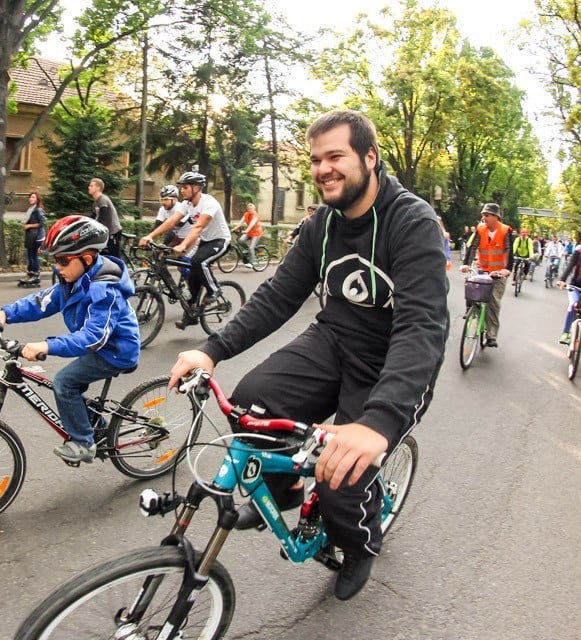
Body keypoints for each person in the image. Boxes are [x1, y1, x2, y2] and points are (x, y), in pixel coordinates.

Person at [167, 109, 449, 601]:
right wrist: (211, 350)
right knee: (253, 403)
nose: (323, 169)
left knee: (343, 477)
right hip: (334, 340)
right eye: (317, 159)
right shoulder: (323, 223)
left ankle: (360, 546)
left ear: (369, 157)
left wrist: (376, 424)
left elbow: (421, 327)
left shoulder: (412, 222)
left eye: (335, 156)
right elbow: (277, 297)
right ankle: (289, 490)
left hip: (389, 362)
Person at [0, 216, 140, 463]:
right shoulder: (72, 280)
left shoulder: (105, 291)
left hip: (116, 351)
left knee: (64, 382)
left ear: (86, 259)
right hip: (99, 345)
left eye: (63, 260)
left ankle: (83, 443)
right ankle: (94, 424)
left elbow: (94, 337)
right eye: (54, 260)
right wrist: (6, 314)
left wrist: (47, 345)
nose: (57, 266)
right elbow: (41, 303)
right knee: (72, 385)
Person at [140, 168, 230, 330]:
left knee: (198, 262)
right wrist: (150, 236)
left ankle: (214, 290)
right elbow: (171, 222)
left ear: (196, 188)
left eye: (185, 187)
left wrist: (182, 245)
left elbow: (198, 226)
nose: (182, 190)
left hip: (219, 240)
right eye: (181, 187)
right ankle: (191, 315)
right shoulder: (187, 204)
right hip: (205, 240)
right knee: (192, 277)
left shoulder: (208, 203)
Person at [460, 202, 513, 347]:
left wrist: (507, 269)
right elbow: (473, 247)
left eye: (487, 215)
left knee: (493, 302)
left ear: (496, 217)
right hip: (482, 268)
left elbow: (509, 251)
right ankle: (471, 309)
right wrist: (466, 264)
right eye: (483, 215)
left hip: (498, 273)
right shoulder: (481, 229)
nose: (484, 218)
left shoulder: (505, 231)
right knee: (471, 285)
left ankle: (491, 335)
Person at [87, 177, 122, 257]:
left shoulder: (103, 199)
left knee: (114, 256)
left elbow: (102, 218)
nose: (89, 187)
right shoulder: (96, 202)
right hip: (106, 232)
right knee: (102, 255)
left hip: (113, 232)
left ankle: (121, 269)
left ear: (98, 188)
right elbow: (92, 217)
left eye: (91, 186)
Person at [154, 184, 195, 250]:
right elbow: (156, 225)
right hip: (177, 237)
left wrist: (164, 244)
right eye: (162, 200)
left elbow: (174, 229)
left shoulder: (181, 208)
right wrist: (148, 237)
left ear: (175, 199)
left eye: (166, 199)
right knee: (159, 255)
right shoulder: (162, 209)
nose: (163, 202)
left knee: (186, 259)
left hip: (189, 239)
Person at [19, 191, 46, 287]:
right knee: (29, 256)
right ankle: (30, 274)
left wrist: (29, 225)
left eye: (33, 197)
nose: (31, 199)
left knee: (34, 257)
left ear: (37, 199)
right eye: (30, 197)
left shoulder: (38, 210)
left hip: (37, 237)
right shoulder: (31, 209)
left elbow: (42, 223)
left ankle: (36, 276)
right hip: (31, 236)